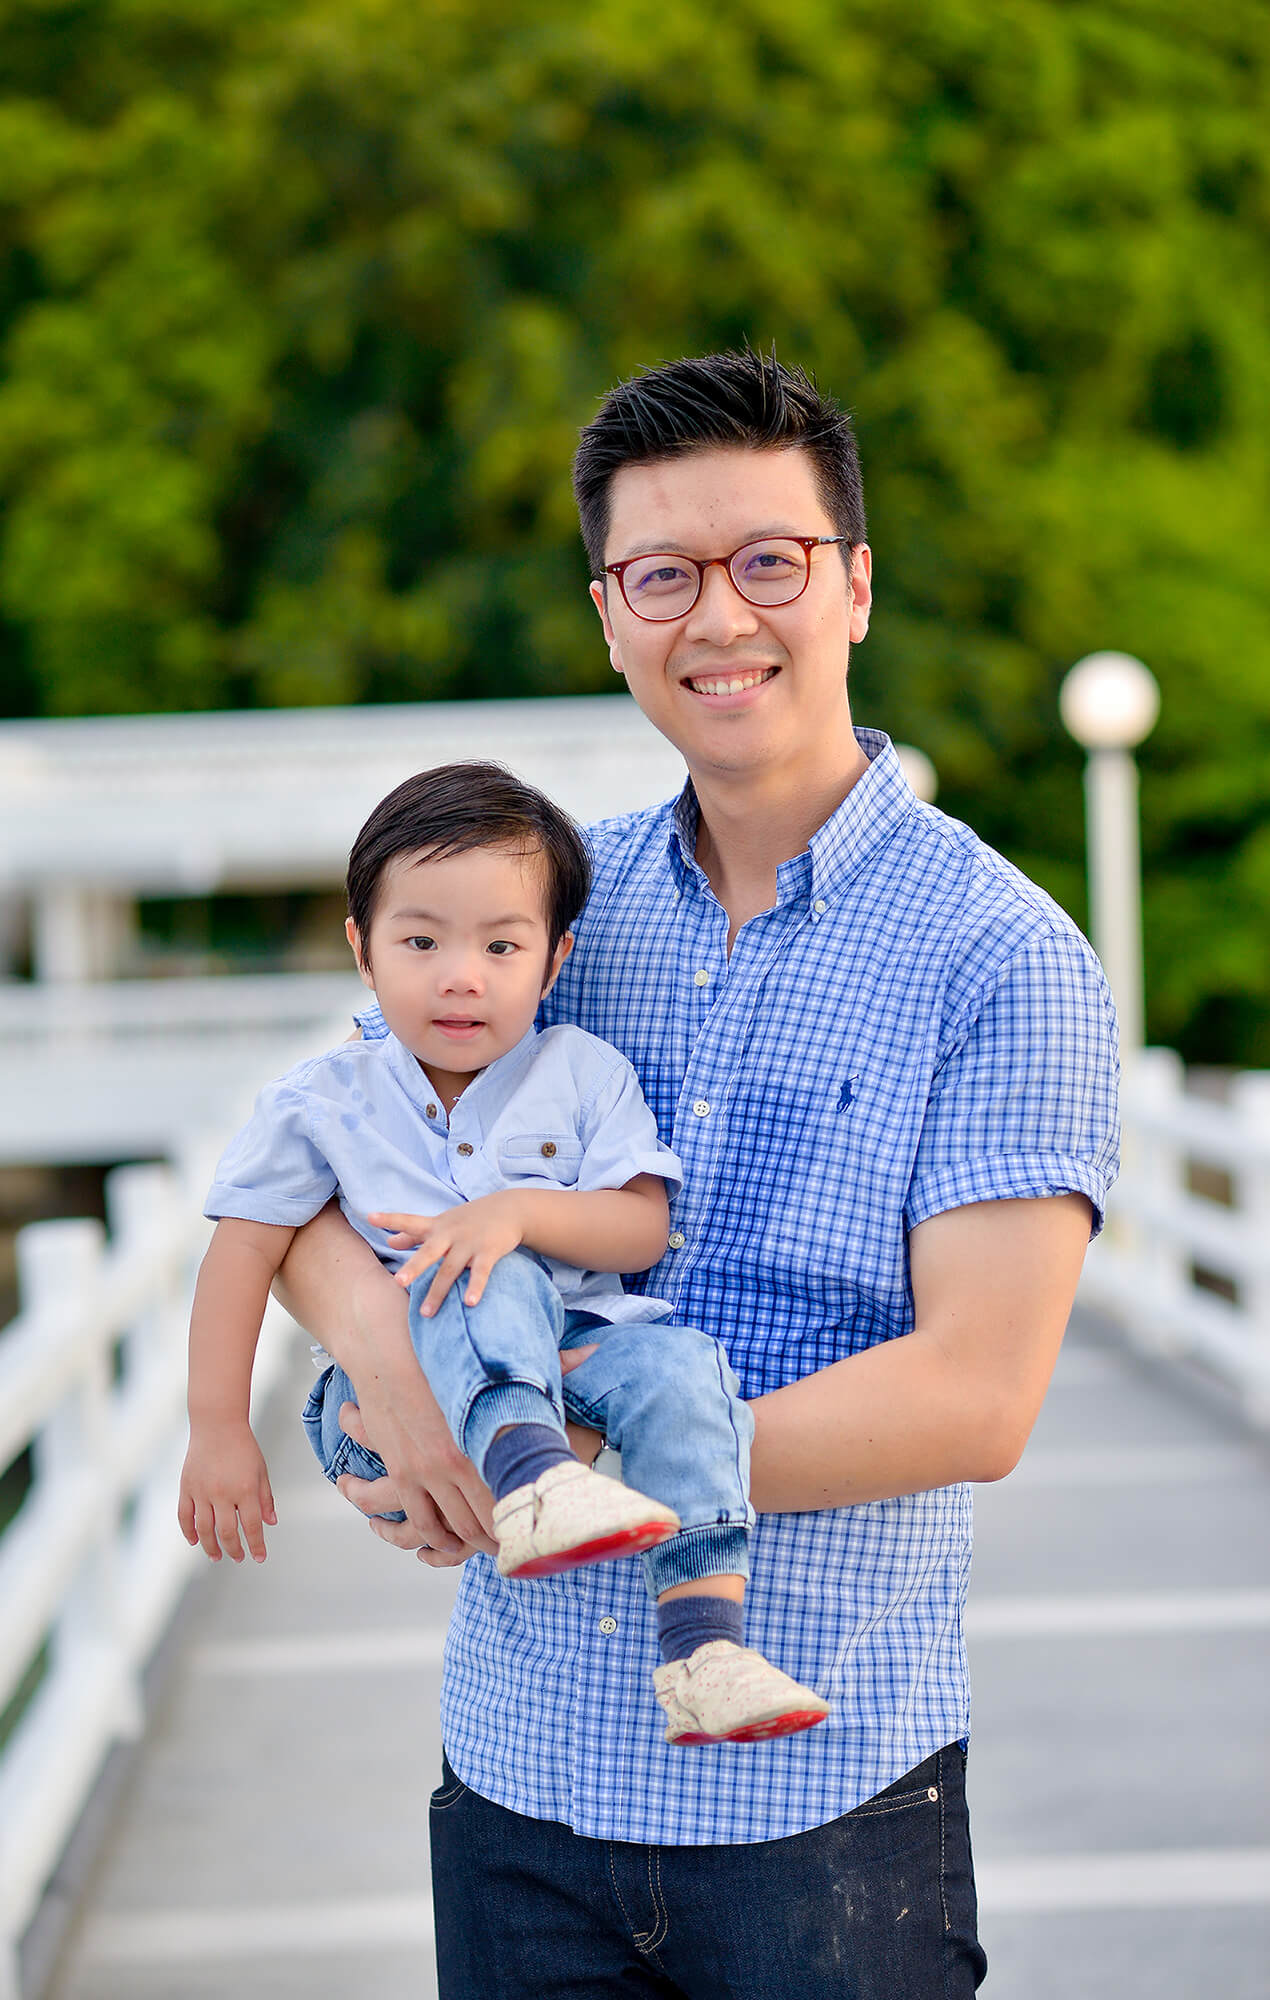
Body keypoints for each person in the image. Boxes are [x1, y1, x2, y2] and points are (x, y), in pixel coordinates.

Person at [273, 350, 1121, 1997]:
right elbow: (309, 1181)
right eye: (660, 575)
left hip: (820, 1814)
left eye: (768, 563)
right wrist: (396, 1385)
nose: (715, 618)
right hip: (518, 1778)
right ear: (608, 615)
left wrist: (574, 1454)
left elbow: (973, 1395)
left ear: (853, 586)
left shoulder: (999, 959)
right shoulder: (548, 917)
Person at [178, 761, 830, 1745]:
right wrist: (218, 1424)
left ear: (554, 959)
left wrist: (518, 1210)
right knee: (481, 1274)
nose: (460, 973)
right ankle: (529, 1477)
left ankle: (702, 1644)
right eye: (420, 939)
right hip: (395, 1393)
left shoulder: (581, 1072)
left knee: (685, 1370)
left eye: (499, 943)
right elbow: (242, 1254)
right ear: (362, 947)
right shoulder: (321, 1098)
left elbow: (640, 1224)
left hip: (580, 1352)